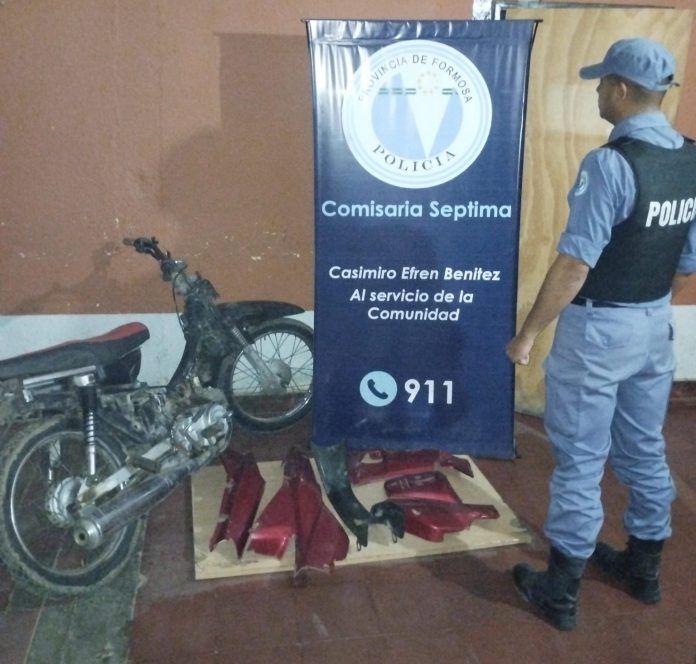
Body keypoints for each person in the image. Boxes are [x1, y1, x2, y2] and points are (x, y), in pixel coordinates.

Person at [506, 37, 696, 631]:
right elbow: (687, 262)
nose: (596, 92)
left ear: (620, 88)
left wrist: (527, 335)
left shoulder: (611, 164)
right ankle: (643, 567)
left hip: (600, 332)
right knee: (643, 447)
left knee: (581, 458)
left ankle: (560, 591)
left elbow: (573, 265)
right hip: (654, 327)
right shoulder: (691, 158)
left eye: (600, 83)